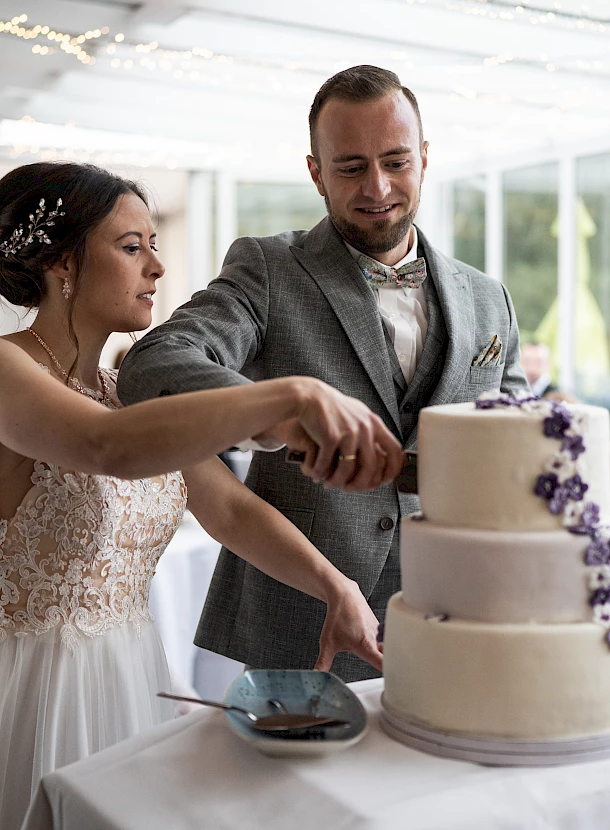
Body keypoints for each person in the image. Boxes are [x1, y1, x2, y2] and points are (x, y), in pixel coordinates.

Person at [0, 161, 404, 828]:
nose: (156, 269)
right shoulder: (8, 368)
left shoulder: (125, 387)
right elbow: (109, 447)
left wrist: (335, 586)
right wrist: (290, 392)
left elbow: (228, 508)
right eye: (132, 248)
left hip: (128, 669)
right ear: (61, 263)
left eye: (155, 246)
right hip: (34, 684)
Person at [118, 65, 529, 684]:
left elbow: (518, 433)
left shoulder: (487, 296)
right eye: (351, 167)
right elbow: (154, 364)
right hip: (303, 621)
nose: (378, 186)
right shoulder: (268, 268)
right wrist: (275, 408)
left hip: (459, 610)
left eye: (395, 161)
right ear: (315, 171)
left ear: (424, 156)